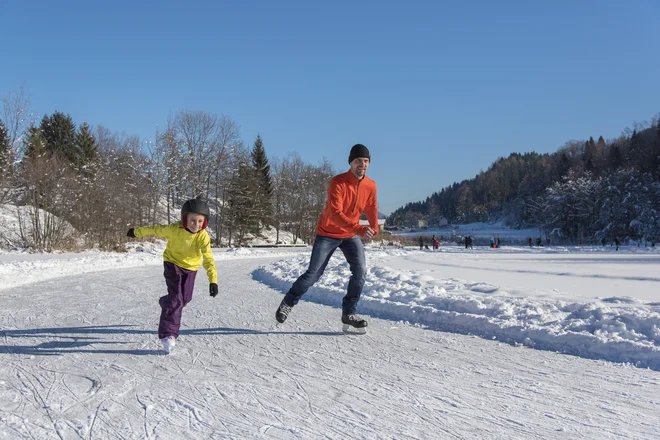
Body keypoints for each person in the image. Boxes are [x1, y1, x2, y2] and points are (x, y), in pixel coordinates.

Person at [275, 144, 378, 332]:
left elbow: (371, 207)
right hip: (327, 234)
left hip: (350, 235)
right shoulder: (337, 182)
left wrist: (374, 227)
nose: (361, 164)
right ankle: (288, 302)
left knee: (360, 271)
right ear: (350, 162)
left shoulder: (370, 185)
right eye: (357, 161)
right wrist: (359, 229)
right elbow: (335, 213)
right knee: (313, 274)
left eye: (365, 161)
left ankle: (349, 313)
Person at [126, 197, 218, 353]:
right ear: (184, 219)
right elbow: (155, 229)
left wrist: (213, 280)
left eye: (200, 221)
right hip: (172, 264)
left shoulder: (203, 236)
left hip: (191, 269)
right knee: (176, 299)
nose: (196, 224)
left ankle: (166, 302)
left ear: (205, 222)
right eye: (193, 220)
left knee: (184, 299)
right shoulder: (174, 229)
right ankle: (168, 334)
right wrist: (136, 232)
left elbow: (208, 258)